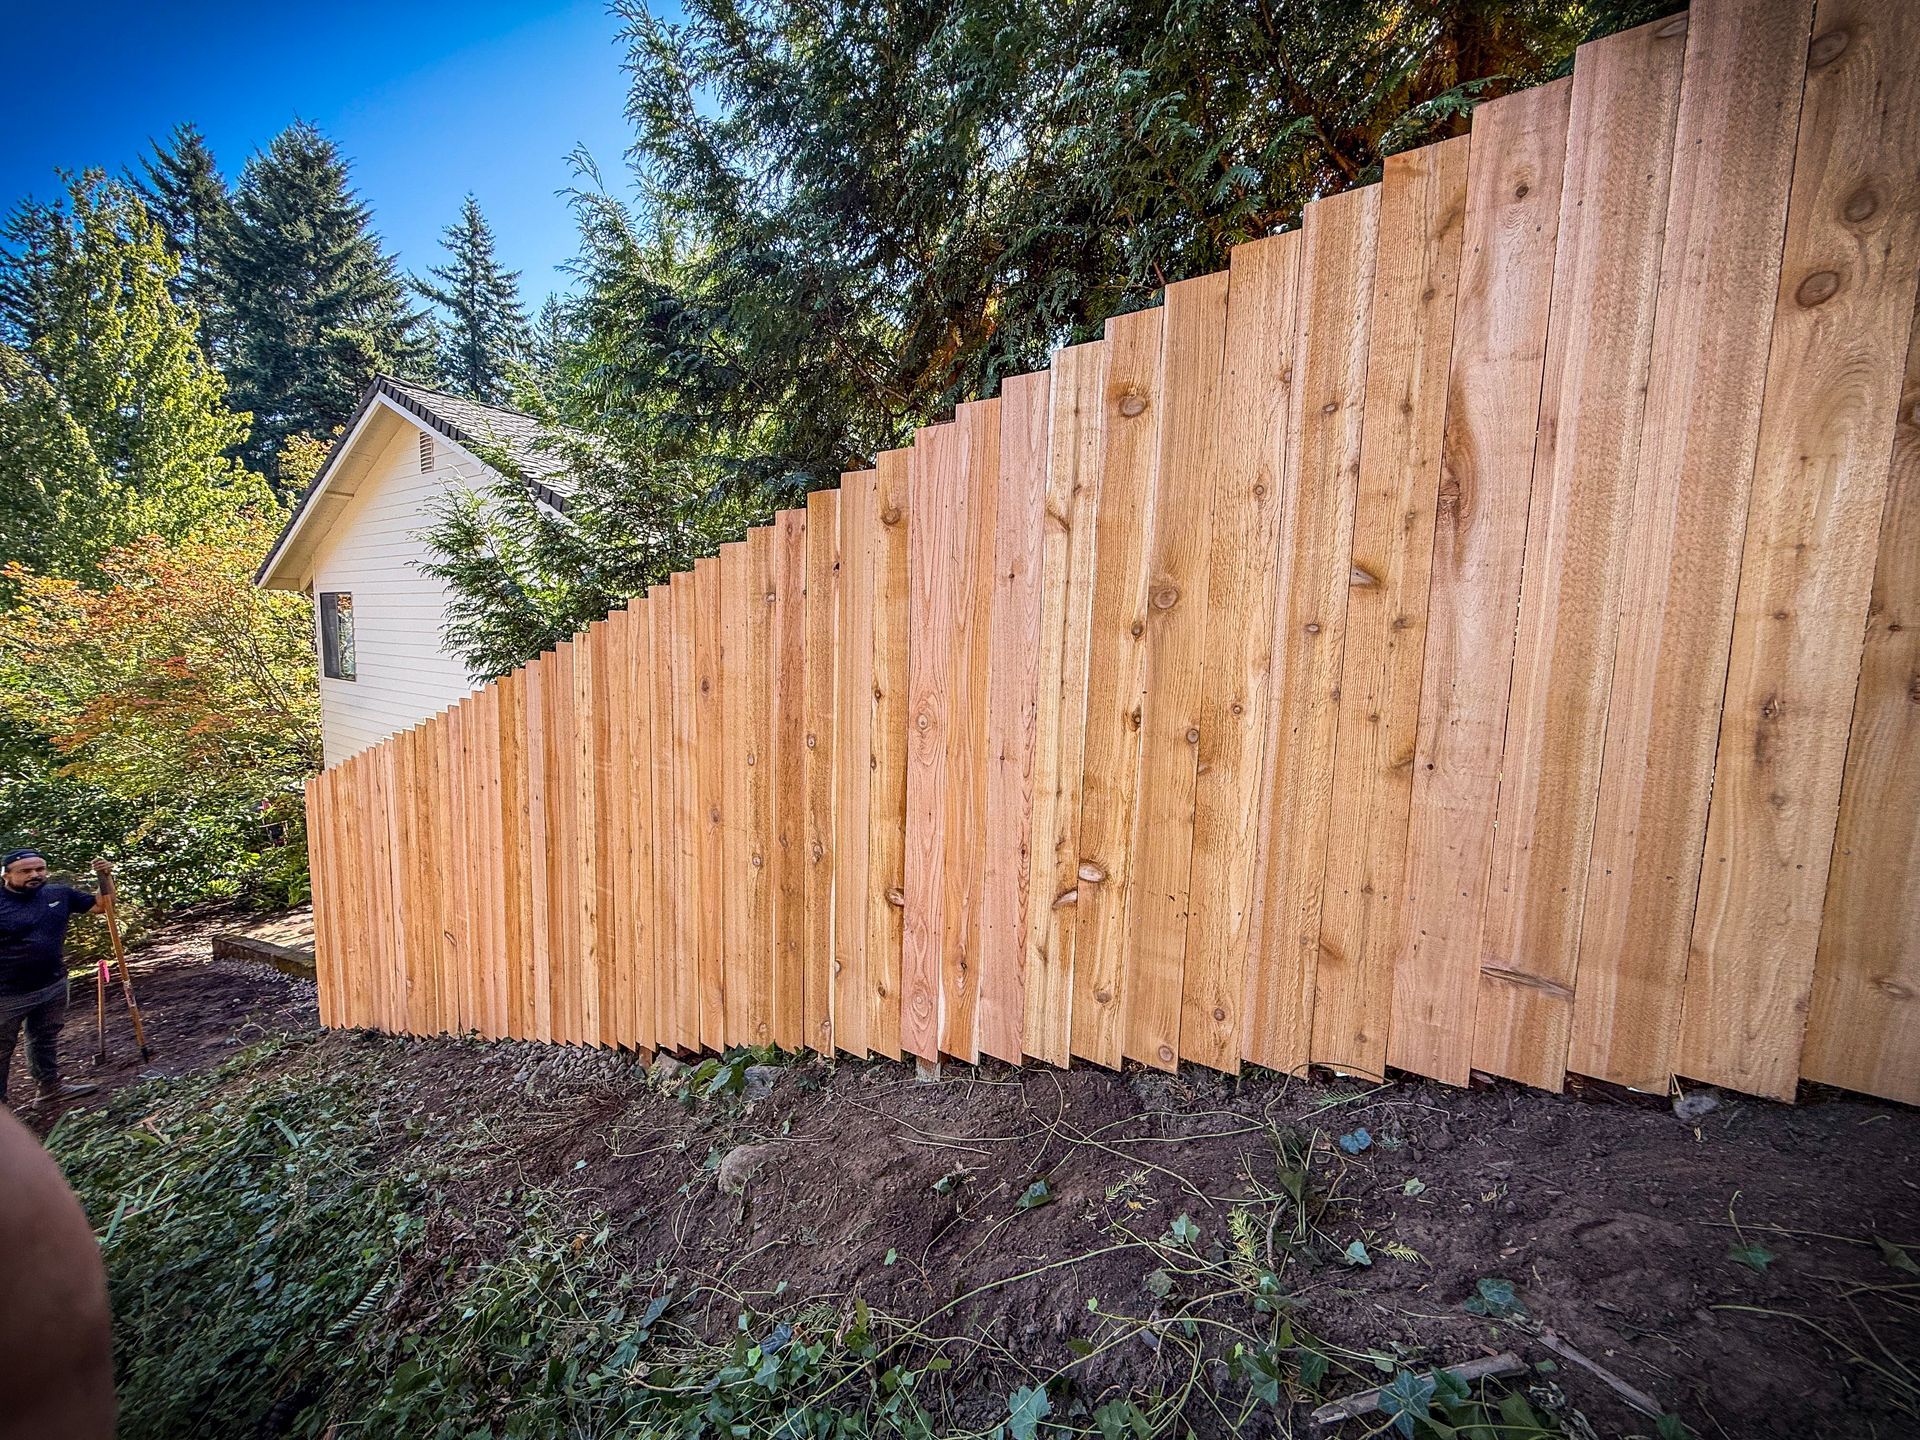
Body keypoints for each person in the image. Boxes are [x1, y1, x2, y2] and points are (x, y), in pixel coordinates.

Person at [0, 850, 105, 1109]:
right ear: (6, 875)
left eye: (40, 869)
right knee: (1, 1050)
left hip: (52, 983)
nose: (35, 875)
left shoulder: (58, 893)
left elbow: (103, 906)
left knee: (45, 1037)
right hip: (6, 993)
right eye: (26, 871)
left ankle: (50, 1090)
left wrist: (105, 877)